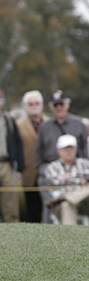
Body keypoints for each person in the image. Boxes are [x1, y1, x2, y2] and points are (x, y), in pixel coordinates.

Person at [40, 134, 89, 225]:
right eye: (65, 149)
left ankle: (66, 198)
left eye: (71, 149)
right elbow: (55, 181)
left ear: (76, 149)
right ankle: (70, 238)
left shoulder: (84, 163)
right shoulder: (52, 166)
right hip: (59, 207)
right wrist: (79, 181)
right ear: (59, 151)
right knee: (66, 205)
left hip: (84, 203)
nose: (68, 152)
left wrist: (68, 179)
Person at [15, 90, 48, 222]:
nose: (34, 106)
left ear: (42, 104)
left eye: (37, 103)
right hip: (29, 172)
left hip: (48, 172)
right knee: (32, 208)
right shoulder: (18, 125)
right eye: (30, 103)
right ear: (25, 106)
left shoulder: (49, 122)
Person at [35, 90, 89, 167]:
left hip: (76, 171)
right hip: (51, 171)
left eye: (61, 104)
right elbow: (38, 153)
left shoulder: (79, 125)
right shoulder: (44, 127)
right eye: (55, 105)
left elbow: (85, 152)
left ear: (67, 105)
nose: (59, 108)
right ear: (51, 107)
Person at [1, 92, 25, 223]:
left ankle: (11, 225)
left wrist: (19, 167)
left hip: (5, 163)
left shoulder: (8, 120)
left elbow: (18, 143)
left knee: (10, 198)